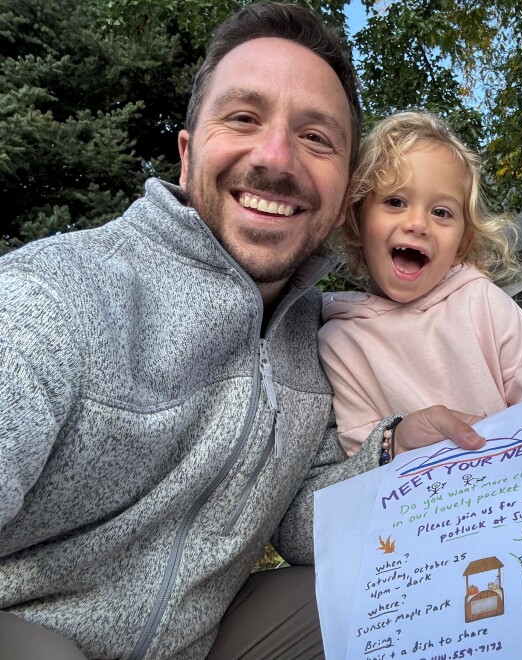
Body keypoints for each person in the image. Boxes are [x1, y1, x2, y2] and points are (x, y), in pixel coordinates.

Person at [0, 5, 483, 659]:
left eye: (317, 138)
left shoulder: (314, 334)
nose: (276, 158)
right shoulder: (54, 298)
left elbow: (303, 528)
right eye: (244, 118)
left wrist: (390, 450)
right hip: (28, 629)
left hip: (201, 641)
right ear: (188, 152)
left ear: (344, 195)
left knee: (398, 592)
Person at [318, 111, 522, 456]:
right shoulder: (341, 341)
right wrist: (394, 441)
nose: (417, 223)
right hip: (426, 504)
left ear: (462, 245)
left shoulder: (481, 302)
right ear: (354, 225)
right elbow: (361, 455)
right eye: (395, 202)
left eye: (441, 212)